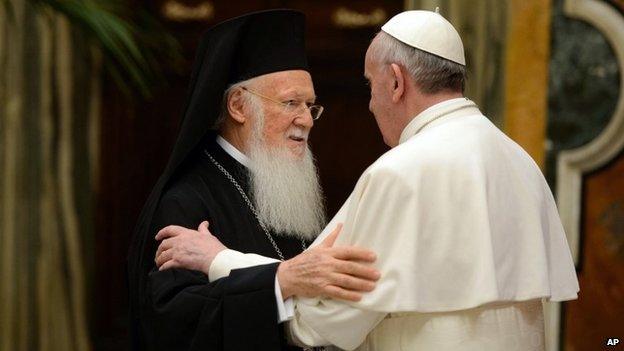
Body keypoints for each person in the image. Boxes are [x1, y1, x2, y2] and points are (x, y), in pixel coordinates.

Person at [155, 9, 580, 351]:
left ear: (396, 82)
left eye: (370, 86)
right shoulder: (520, 160)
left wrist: (220, 260)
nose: (371, 105)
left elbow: (321, 323)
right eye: (291, 103)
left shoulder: (401, 172)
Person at [128, 10, 380, 351]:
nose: (306, 120)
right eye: (291, 102)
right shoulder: (186, 201)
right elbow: (176, 320)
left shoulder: (288, 192)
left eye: (310, 105)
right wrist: (278, 283)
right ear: (238, 106)